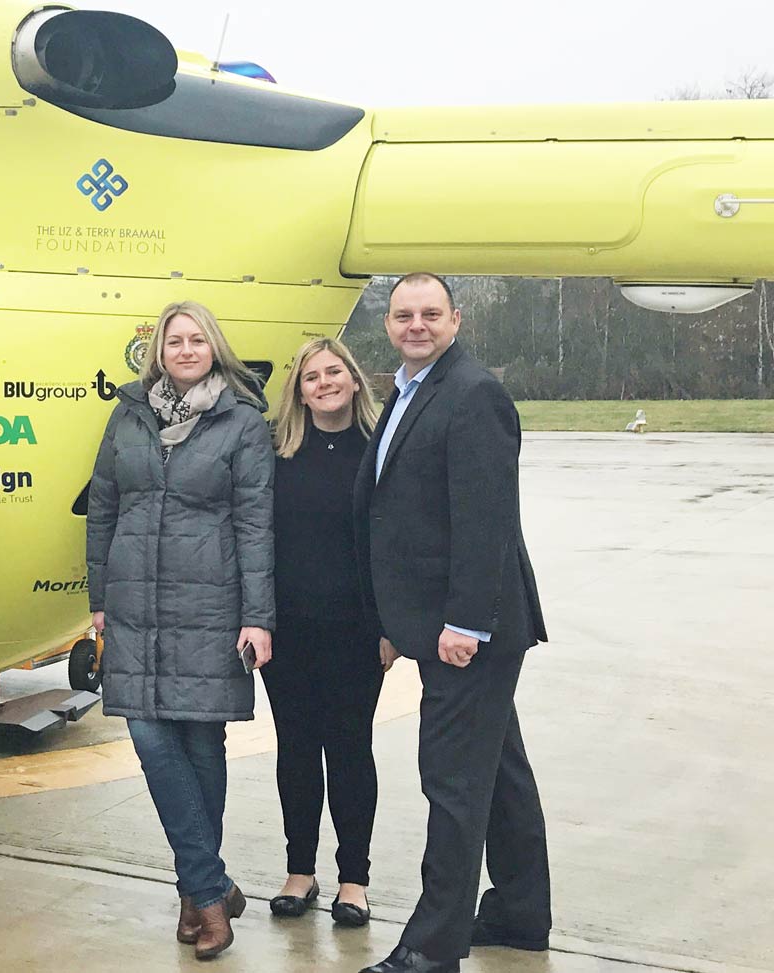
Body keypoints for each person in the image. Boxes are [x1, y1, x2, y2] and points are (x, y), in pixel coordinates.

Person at [353, 273, 551, 973]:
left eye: (430, 314)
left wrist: (466, 623)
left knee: (453, 783)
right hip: (442, 622)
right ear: (389, 324)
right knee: (498, 769)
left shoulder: (473, 394)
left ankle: (433, 944)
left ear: (455, 319)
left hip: (471, 630)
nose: (416, 324)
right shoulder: (411, 391)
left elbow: (485, 522)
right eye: (404, 314)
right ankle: (523, 912)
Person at [86, 300, 275, 961]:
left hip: (212, 606)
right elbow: (103, 507)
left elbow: (256, 524)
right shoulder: (129, 414)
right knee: (150, 738)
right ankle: (211, 885)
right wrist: (100, 596)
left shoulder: (243, 424)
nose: (186, 349)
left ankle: (198, 894)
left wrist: (258, 616)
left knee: (201, 745)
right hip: (136, 605)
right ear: (158, 351)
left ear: (213, 348)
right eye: (175, 340)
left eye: (197, 339)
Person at [264, 337, 388, 928]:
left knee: (349, 750)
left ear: (355, 380)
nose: (324, 383)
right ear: (299, 391)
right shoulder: (278, 452)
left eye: (333, 372)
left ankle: (354, 879)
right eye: (311, 377)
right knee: (296, 750)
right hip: (288, 631)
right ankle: (299, 870)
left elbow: (393, 545)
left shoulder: (380, 450)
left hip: (357, 632)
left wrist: (391, 628)